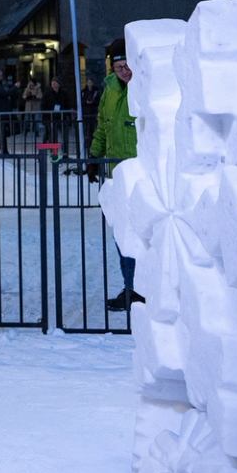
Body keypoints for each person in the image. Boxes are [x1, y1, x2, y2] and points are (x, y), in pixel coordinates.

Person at [89, 40, 142, 312]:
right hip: (115, 174)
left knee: (143, 234)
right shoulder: (110, 89)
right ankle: (131, 287)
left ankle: (145, 287)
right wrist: (93, 155)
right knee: (122, 236)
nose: (124, 71)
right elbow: (102, 125)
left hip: (140, 175)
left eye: (127, 66)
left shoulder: (144, 87)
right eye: (119, 66)